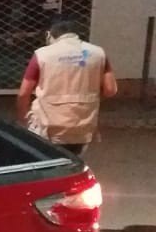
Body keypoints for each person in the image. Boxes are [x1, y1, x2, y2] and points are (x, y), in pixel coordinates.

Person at [16, 17, 117, 155]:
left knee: (47, 160)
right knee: (74, 161)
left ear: (48, 34)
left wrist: (23, 119)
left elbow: (23, 94)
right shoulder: (98, 53)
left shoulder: (42, 55)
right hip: (83, 126)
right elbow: (110, 90)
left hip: (47, 127)